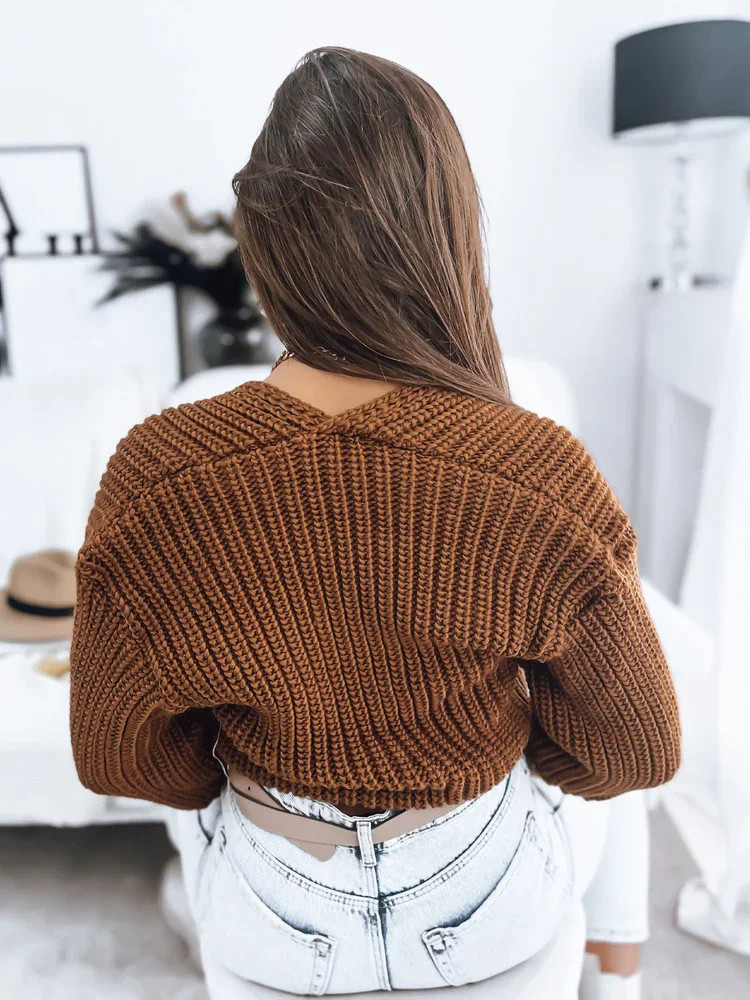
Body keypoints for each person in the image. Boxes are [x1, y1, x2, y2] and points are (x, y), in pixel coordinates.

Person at [69, 47, 680, 1000]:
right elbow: (635, 748)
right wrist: (508, 752)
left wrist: (235, 773)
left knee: (198, 831)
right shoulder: (536, 469)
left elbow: (120, 756)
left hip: (275, 907)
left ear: (264, 247)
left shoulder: (156, 475)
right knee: (606, 795)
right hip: (483, 898)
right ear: (448, 234)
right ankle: (619, 978)